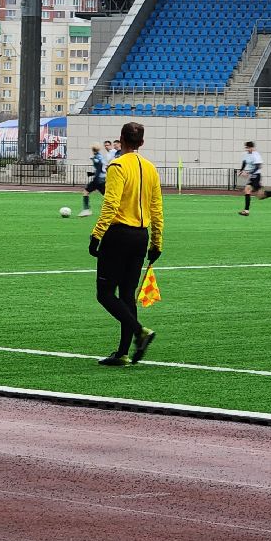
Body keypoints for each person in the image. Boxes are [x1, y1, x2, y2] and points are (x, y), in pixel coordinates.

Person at [89, 121, 163, 367]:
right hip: (140, 237)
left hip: (118, 234)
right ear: (141, 142)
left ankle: (140, 332)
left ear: (121, 139)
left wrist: (97, 234)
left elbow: (111, 204)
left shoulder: (117, 166)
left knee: (105, 294)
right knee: (127, 294)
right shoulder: (151, 168)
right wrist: (157, 241)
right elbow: (156, 208)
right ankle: (122, 352)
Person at [237, 140, 271, 216]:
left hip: (256, 176)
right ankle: (246, 211)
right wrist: (241, 170)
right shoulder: (246, 154)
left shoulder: (256, 155)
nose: (247, 149)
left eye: (249, 148)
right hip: (252, 177)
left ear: (252, 147)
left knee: (259, 195)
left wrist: (248, 173)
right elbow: (244, 162)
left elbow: (258, 166)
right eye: (246, 148)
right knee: (252, 192)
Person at [81, 143, 107, 216]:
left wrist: (96, 176)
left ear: (93, 150)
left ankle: (86, 210)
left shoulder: (96, 157)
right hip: (103, 179)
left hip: (98, 179)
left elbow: (99, 166)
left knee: (86, 192)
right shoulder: (101, 156)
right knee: (106, 196)